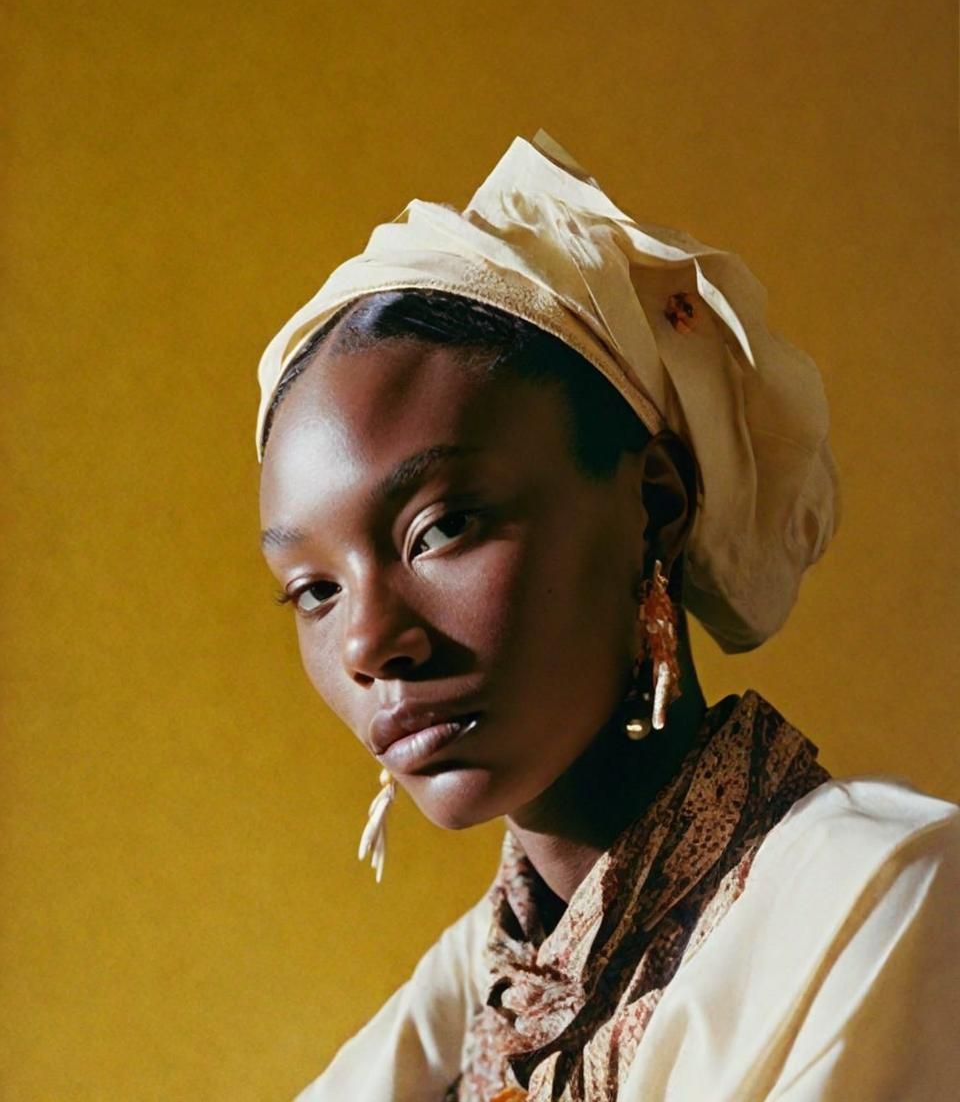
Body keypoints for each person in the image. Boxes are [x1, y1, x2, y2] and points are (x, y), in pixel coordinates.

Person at [256, 133, 959, 1101]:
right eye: (314, 589)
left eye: (444, 525)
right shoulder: (477, 986)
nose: (373, 643)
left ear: (654, 506)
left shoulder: (883, 892)